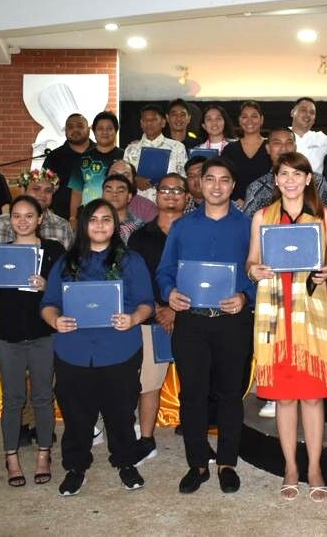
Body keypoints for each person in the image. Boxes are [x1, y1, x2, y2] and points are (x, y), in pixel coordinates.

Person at [246, 151, 327, 502]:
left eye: (296, 174)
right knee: (285, 398)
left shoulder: (323, 216)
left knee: (313, 398)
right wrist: (254, 271)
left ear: (308, 179)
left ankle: (314, 467)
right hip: (274, 315)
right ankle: (290, 467)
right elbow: (251, 262)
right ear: (276, 180)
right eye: (283, 174)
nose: (289, 180)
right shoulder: (261, 217)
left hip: (311, 312)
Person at [40, 199, 155, 496]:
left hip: (119, 348)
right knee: (77, 415)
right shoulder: (67, 262)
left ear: (114, 225)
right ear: (83, 224)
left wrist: (133, 319)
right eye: (93, 219)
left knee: (120, 413)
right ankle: (76, 468)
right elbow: (48, 303)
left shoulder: (130, 260)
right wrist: (56, 321)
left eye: (106, 219)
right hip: (73, 350)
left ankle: (126, 463)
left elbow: (146, 302)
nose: (100, 225)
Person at [157, 157, 256, 494]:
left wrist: (245, 295)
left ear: (232, 186)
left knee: (230, 394)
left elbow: (259, 271)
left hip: (232, 321)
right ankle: (197, 463)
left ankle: (227, 462)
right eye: (209, 179)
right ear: (199, 185)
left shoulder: (248, 226)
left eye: (224, 180)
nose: (216, 186)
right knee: (193, 395)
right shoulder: (183, 226)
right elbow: (164, 271)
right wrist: (169, 293)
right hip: (192, 323)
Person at [0, 195, 63, 487]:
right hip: (8, 335)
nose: (22, 221)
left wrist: (46, 285)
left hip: (43, 335)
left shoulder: (53, 250)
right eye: (16, 216)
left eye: (29, 215)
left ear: (40, 219)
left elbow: (64, 292)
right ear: (9, 220)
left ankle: (43, 454)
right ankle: (11, 457)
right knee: (13, 399)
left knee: (42, 397)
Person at [127, 173, 189, 465]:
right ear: (157, 195)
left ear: (187, 197)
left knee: (196, 382)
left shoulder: (196, 230)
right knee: (148, 383)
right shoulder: (140, 235)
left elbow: (200, 274)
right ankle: (147, 438)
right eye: (165, 190)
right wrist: (157, 308)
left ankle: (195, 436)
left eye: (178, 190)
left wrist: (176, 308)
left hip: (190, 315)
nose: (171, 195)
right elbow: (133, 278)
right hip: (151, 317)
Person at [243, 128, 327, 217]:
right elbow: (247, 225)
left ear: (295, 147)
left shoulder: (317, 181)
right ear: (268, 148)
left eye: (289, 143)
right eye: (277, 143)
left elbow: (326, 218)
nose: (284, 148)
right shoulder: (256, 188)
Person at [0, 168, 74, 249]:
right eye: (36, 189)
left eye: (48, 191)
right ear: (23, 191)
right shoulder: (3, 222)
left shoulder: (62, 225)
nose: (42, 195)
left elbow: (69, 262)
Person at [123, 104, 189, 203]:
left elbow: (184, 178)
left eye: (153, 120)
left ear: (163, 122)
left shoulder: (177, 147)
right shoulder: (131, 149)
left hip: (168, 202)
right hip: (138, 205)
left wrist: (167, 183)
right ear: (141, 123)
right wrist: (134, 180)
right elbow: (122, 179)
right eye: (145, 120)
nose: (149, 123)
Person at [68, 110, 125, 222]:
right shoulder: (82, 158)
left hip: (118, 217)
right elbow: (76, 191)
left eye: (109, 128)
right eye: (100, 129)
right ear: (93, 131)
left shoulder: (125, 156)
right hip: (88, 216)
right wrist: (73, 218)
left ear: (116, 131)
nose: (105, 132)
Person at [43, 113, 94, 220]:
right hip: (61, 218)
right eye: (70, 127)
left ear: (89, 130)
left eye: (80, 126)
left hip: (97, 217)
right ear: (65, 131)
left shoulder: (99, 153)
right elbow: (45, 187)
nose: (75, 130)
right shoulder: (54, 157)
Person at [221, 101, 272, 203]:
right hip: (236, 207)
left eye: (254, 116)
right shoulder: (230, 149)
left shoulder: (270, 146)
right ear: (239, 120)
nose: (249, 121)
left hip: (267, 207)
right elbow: (224, 178)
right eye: (244, 117)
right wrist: (235, 199)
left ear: (261, 120)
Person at [290, 97, 327, 174]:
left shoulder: (322, 138)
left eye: (312, 112)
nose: (308, 114)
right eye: (303, 110)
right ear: (292, 113)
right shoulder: (281, 135)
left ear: (314, 119)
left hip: (315, 185)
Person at [107, 159, 158, 225]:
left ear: (133, 181)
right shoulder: (95, 207)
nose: (120, 179)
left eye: (126, 175)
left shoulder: (148, 209)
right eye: (114, 175)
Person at [101, 173, 144, 243]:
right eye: (109, 191)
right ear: (102, 195)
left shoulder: (140, 227)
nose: (114, 194)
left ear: (129, 197)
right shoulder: (91, 224)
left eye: (120, 191)